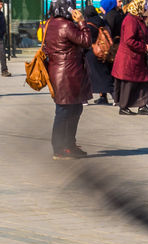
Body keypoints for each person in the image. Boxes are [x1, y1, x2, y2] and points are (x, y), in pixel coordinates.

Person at [44, 0, 92, 157]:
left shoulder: (50, 24)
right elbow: (86, 42)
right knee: (65, 110)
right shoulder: (66, 25)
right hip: (68, 74)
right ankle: (60, 147)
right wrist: (82, 22)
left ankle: (68, 144)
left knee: (73, 108)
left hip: (59, 72)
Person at [112, 0, 148, 111]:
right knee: (129, 84)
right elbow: (129, 40)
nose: (145, 8)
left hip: (135, 57)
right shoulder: (131, 20)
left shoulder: (136, 18)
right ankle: (124, 106)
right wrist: (144, 47)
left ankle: (141, 105)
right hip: (130, 58)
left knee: (140, 83)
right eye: (143, 6)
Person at [82, 2, 114, 104]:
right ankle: (114, 98)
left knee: (86, 77)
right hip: (103, 52)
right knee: (104, 76)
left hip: (91, 53)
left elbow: (86, 41)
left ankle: (84, 99)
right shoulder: (102, 21)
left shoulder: (87, 24)